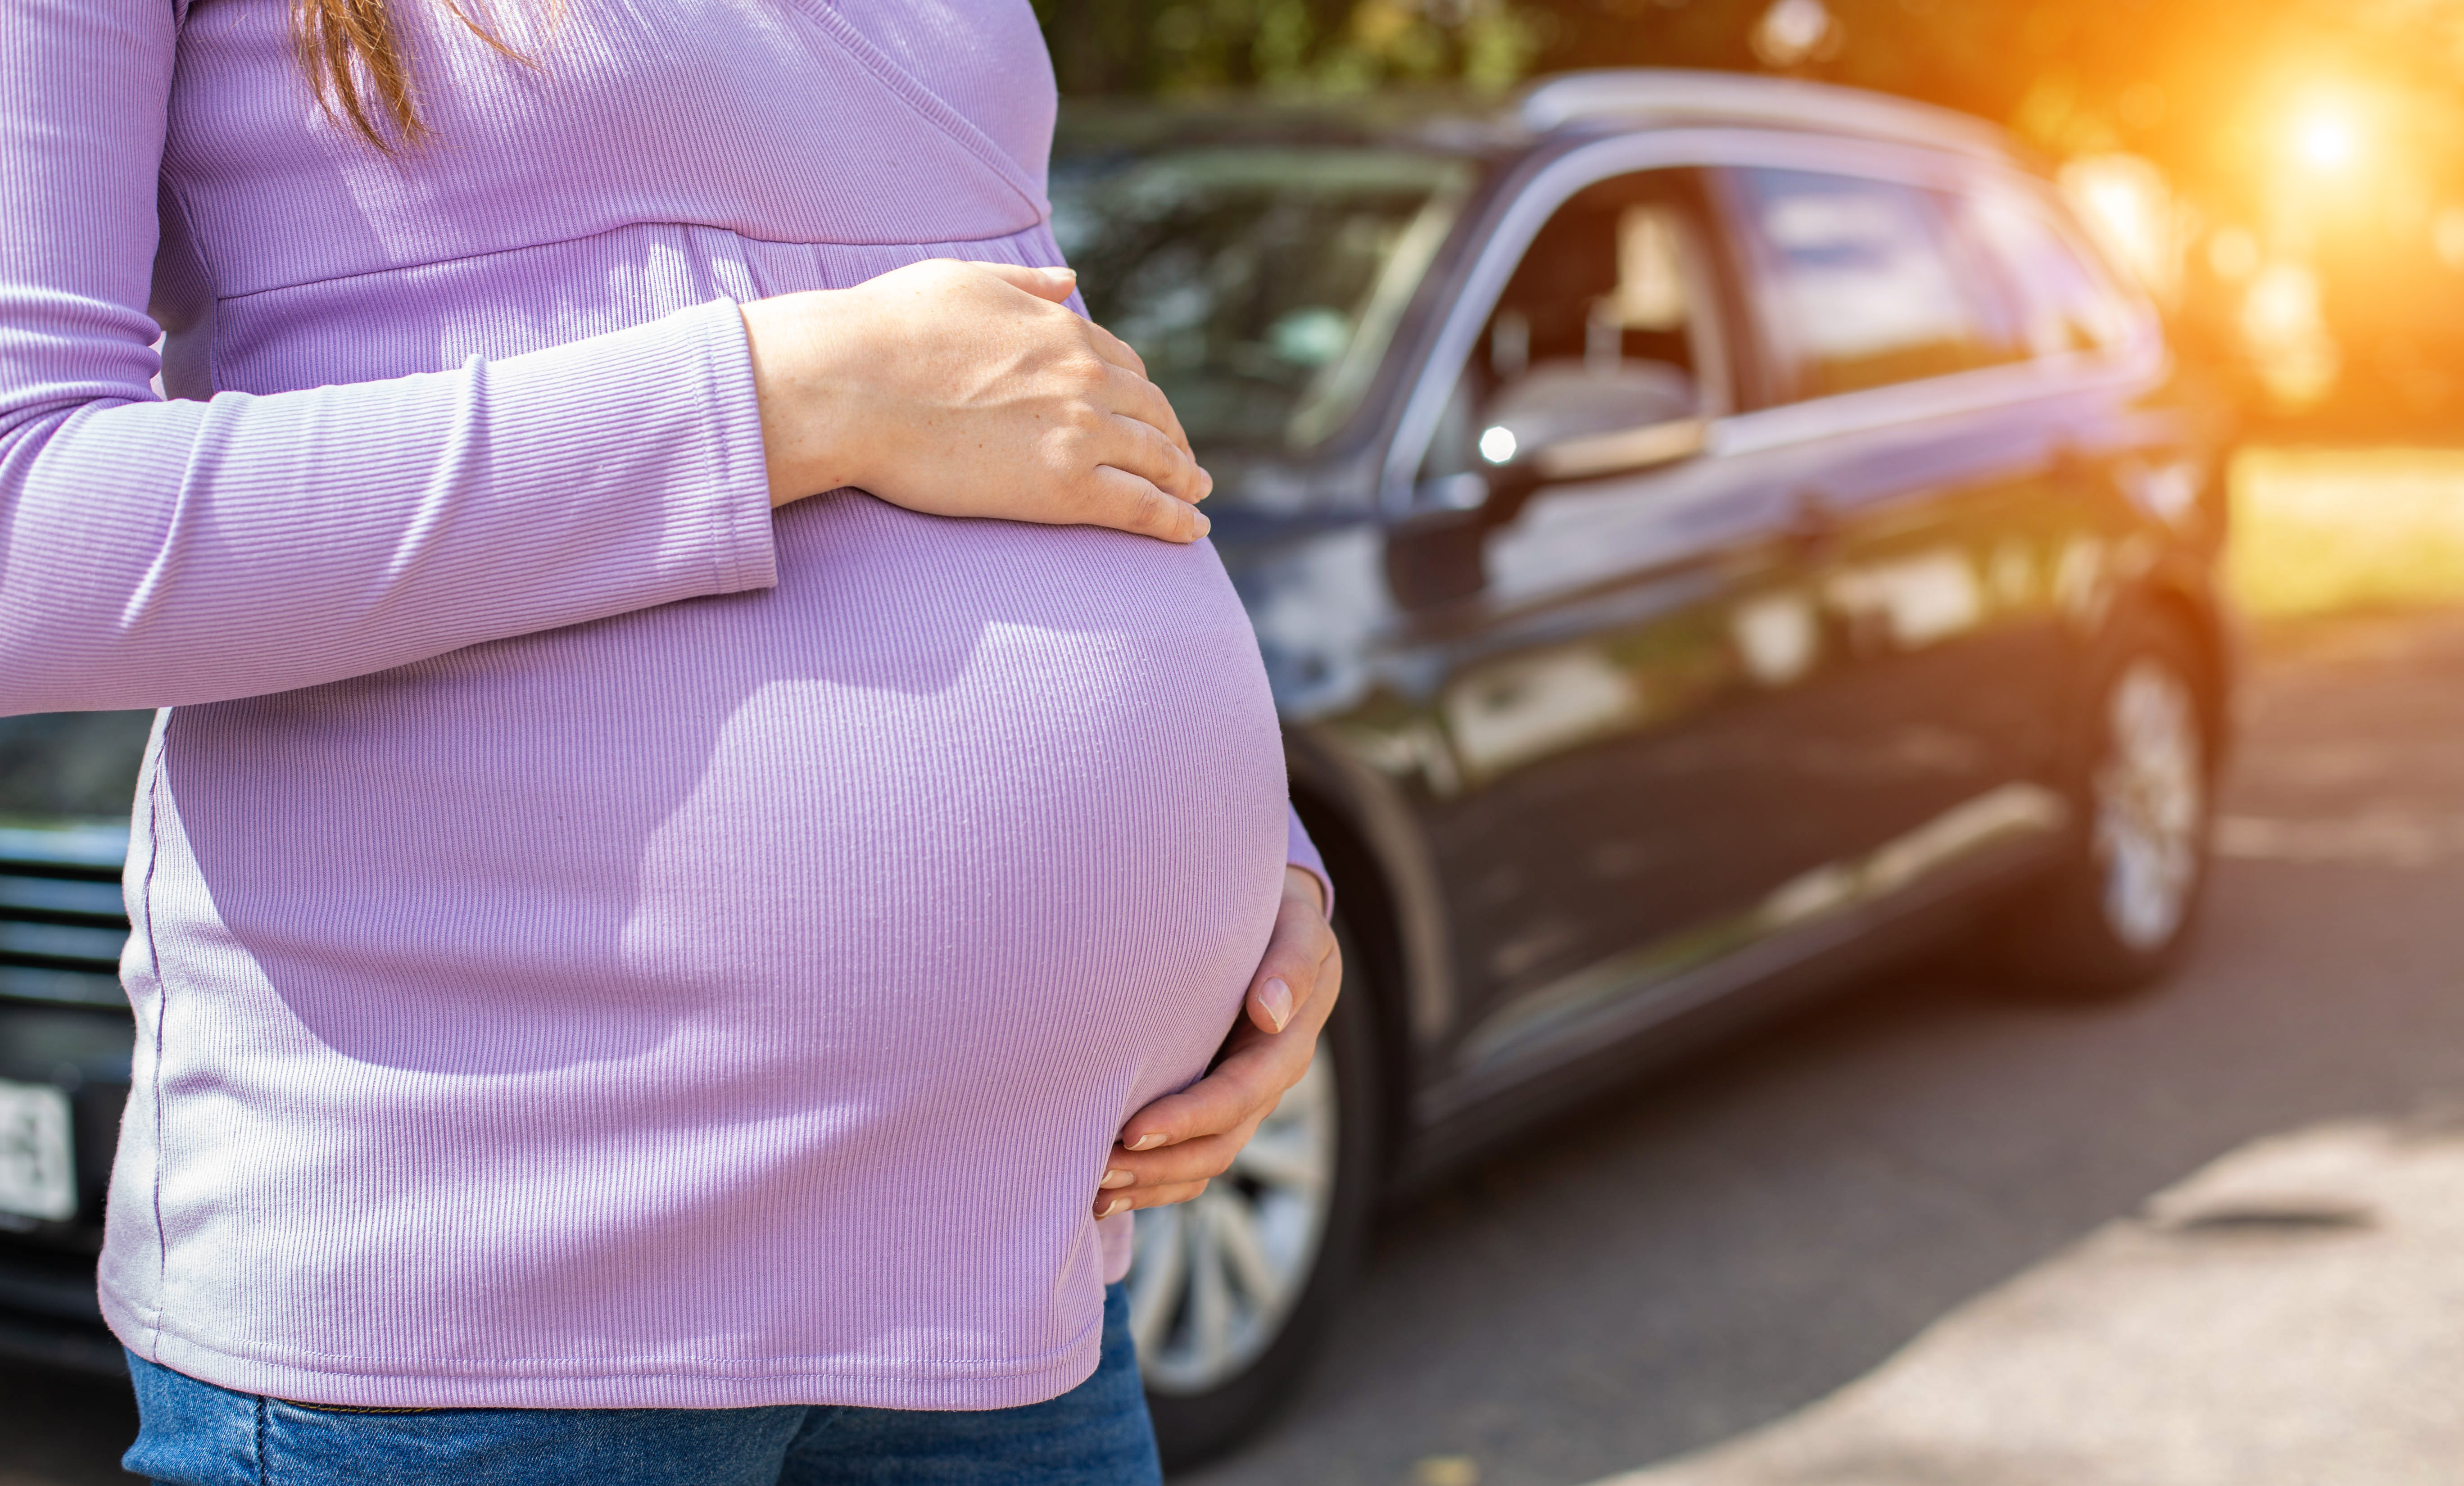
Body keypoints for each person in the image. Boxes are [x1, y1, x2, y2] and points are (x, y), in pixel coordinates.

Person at [0, 0, 1341, 1481]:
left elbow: (1036, 386)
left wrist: (1245, 868)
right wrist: (786, 401)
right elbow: (27, 535)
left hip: (1006, 1281)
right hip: (490, 1312)